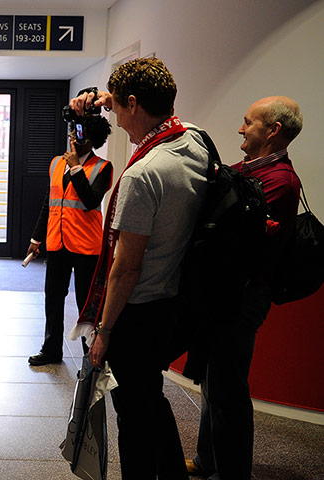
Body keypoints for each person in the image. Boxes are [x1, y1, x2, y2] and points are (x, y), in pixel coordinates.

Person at [71, 58, 210, 479]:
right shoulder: (195, 142)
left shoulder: (142, 174)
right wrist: (102, 97)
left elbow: (125, 269)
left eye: (117, 107)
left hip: (136, 310)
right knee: (151, 400)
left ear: (134, 103)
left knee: (133, 413)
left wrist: (105, 330)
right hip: (172, 301)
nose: (112, 115)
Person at [186, 97, 302, 480]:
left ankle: (232, 472)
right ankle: (208, 460)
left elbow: (236, 234)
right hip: (225, 292)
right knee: (213, 382)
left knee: (229, 389)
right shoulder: (249, 171)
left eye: (248, 122)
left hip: (243, 297)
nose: (240, 128)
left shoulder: (280, 182)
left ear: (273, 131)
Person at [27, 113, 113, 366]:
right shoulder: (56, 163)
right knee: (53, 297)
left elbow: (90, 200)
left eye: (79, 132)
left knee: (86, 303)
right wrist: (36, 237)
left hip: (86, 246)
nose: (73, 135)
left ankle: (90, 355)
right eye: (73, 130)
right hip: (57, 241)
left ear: (91, 138)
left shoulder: (102, 167)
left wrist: (76, 167)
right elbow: (49, 202)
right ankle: (51, 349)